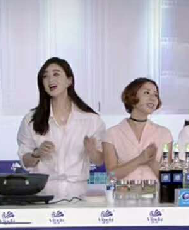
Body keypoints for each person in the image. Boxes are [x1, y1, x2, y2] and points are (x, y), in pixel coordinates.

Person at [17, 57, 105, 201]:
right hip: (44, 196)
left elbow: (99, 160)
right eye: (45, 76)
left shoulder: (92, 120)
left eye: (56, 74)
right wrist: (37, 153)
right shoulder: (31, 120)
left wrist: (92, 151)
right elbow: (25, 160)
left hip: (78, 196)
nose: (50, 80)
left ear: (69, 80)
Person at [103, 78, 173, 181]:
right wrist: (139, 160)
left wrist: (152, 162)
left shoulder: (164, 134)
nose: (153, 98)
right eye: (147, 93)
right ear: (132, 96)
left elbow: (169, 178)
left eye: (156, 95)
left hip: (155, 191)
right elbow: (111, 176)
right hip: (124, 191)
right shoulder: (112, 134)